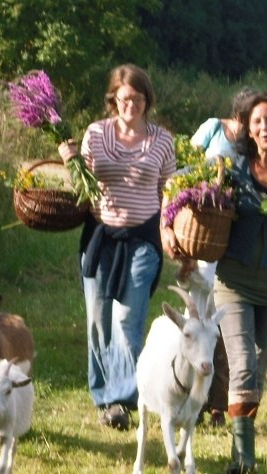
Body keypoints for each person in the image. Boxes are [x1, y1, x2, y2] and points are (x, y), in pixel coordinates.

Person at [168, 91, 267, 474]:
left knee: (257, 367)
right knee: (240, 365)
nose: (264, 126)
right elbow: (179, 189)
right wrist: (170, 231)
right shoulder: (231, 167)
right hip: (234, 280)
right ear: (248, 130)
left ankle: (242, 447)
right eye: (257, 121)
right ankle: (244, 460)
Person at [58, 64, 177, 430]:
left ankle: (122, 398)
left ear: (147, 101)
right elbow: (84, 188)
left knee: (127, 318)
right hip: (100, 238)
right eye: (125, 98)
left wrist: (172, 233)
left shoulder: (162, 140)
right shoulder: (96, 134)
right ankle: (102, 394)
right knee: (97, 321)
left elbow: (169, 193)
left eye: (139, 99)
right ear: (114, 100)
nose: (132, 105)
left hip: (143, 240)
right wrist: (70, 162)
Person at [184, 88, 257, 428]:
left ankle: (217, 404)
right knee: (198, 315)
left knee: (226, 321)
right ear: (238, 115)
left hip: (235, 234)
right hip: (207, 232)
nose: (250, 127)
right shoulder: (214, 128)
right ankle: (189, 396)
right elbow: (188, 168)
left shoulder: (256, 145)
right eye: (247, 118)